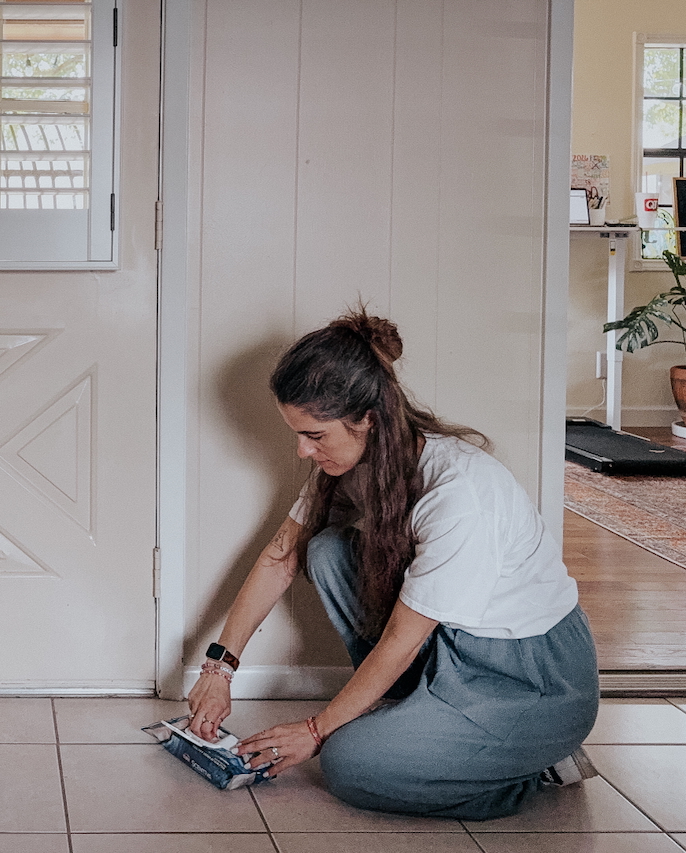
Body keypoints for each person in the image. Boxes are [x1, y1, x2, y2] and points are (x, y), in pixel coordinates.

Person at [187, 308, 599, 820]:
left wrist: (316, 731)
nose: (300, 451)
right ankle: (420, 720)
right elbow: (281, 557)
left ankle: (531, 764)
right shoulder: (348, 466)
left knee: (348, 764)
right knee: (329, 549)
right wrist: (218, 668)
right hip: (447, 650)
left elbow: (405, 637)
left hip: (526, 678)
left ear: (370, 419)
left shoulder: (460, 493)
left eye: (315, 435)